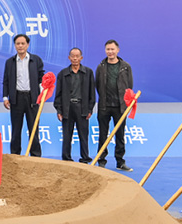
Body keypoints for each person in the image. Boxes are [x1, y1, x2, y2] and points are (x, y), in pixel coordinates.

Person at [2, 33, 45, 156]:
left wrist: (41, 94)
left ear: (27, 45)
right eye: (18, 44)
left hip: (32, 99)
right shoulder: (10, 62)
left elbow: (41, 79)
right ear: (15, 45)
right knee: (16, 129)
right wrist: (5, 97)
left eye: (23, 43)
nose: (20, 46)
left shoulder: (36, 60)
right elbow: (6, 81)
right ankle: (15, 155)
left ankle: (35, 155)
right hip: (16, 99)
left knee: (34, 128)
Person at [95, 39, 134, 171]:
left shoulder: (125, 67)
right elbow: (97, 85)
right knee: (103, 134)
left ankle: (120, 161)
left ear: (118, 50)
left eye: (112, 49)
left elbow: (129, 86)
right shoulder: (101, 67)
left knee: (120, 135)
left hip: (120, 107)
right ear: (105, 51)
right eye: (108, 49)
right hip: (104, 106)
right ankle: (101, 160)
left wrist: (124, 102)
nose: (110, 52)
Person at [54, 47, 95, 163]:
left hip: (82, 107)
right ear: (69, 58)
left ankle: (85, 157)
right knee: (67, 135)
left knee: (83, 135)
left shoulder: (88, 73)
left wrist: (90, 109)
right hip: (67, 108)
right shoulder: (63, 74)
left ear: (81, 58)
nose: (75, 58)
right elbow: (58, 94)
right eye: (73, 56)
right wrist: (59, 110)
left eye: (77, 56)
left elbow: (92, 93)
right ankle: (66, 158)